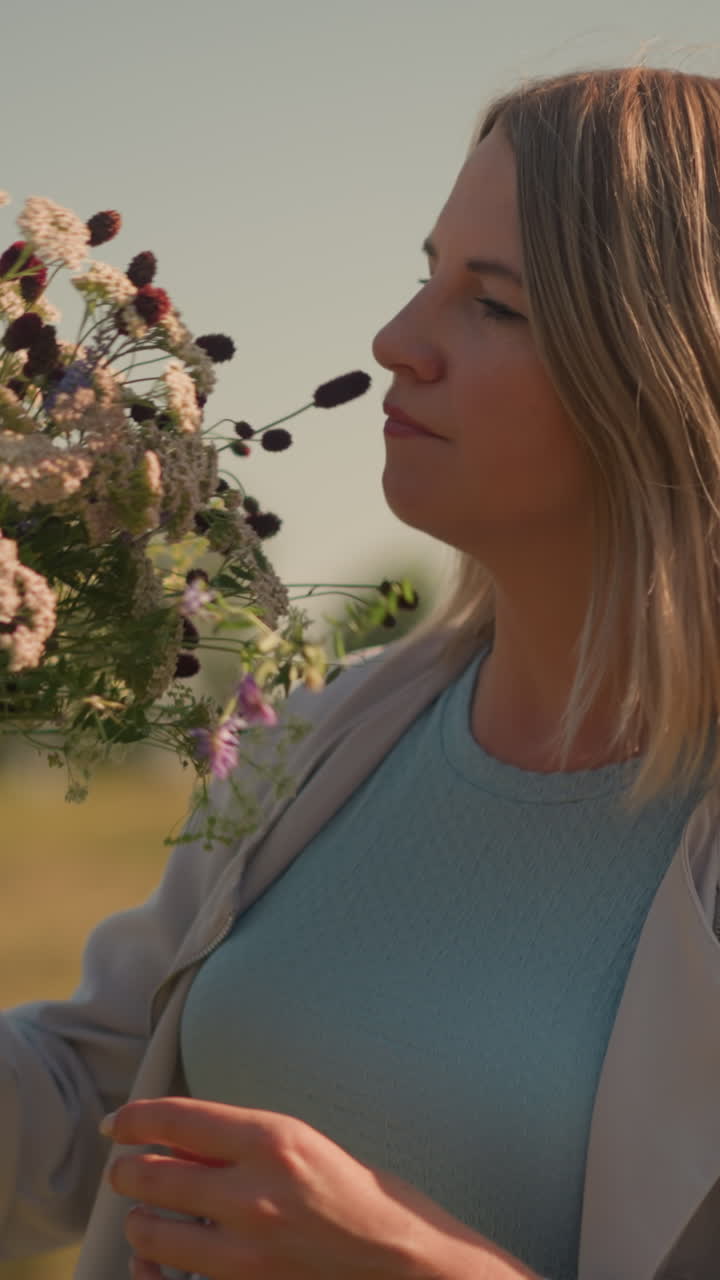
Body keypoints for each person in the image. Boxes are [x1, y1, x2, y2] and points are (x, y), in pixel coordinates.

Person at [2, 63, 720, 1280]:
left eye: (492, 304)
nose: (396, 343)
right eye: (424, 275)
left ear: (659, 368)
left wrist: (414, 1261)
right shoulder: (321, 733)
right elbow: (88, 1102)